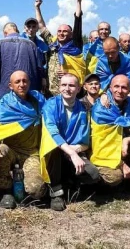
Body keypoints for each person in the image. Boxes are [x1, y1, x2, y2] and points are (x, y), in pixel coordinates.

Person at [0, 71, 46, 208]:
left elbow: (52, 114)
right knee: (0, 152)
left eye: (24, 81)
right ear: (10, 86)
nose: (22, 84)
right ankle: (6, 190)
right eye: (17, 82)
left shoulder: (38, 100)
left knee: (36, 190)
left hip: (31, 153)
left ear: (29, 83)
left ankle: (24, 184)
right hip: (11, 150)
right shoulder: (6, 103)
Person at [89, 75, 130, 198]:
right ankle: (97, 185)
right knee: (114, 178)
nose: (120, 91)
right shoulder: (101, 108)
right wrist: (121, 164)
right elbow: (102, 143)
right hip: (105, 151)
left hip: (124, 148)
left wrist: (126, 140)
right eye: (116, 87)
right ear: (110, 88)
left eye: (124, 88)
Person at [39, 74, 100, 211]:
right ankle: (56, 192)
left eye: (72, 85)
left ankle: (70, 182)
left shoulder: (84, 108)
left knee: (93, 175)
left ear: (78, 89)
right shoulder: (51, 105)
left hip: (74, 150)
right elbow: (52, 132)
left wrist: (74, 151)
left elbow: (85, 141)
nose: (67, 88)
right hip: (54, 150)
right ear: (59, 87)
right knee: (53, 148)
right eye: (64, 85)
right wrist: (71, 153)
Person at [34, 0, 86, 95]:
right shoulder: (52, 43)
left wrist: (78, 2)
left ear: (71, 34)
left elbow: (78, 21)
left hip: (69, 92)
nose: (61, 33)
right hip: (50, 91)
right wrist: (37, 8)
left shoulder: (75, 46)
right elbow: (41, 26)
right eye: (59, 31)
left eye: (65, 31)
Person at [0, 23, 44, 103]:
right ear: (17, 31)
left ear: (5, 33)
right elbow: (40, 69)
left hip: (5, 93)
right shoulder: (32, 44)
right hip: (29, 94)